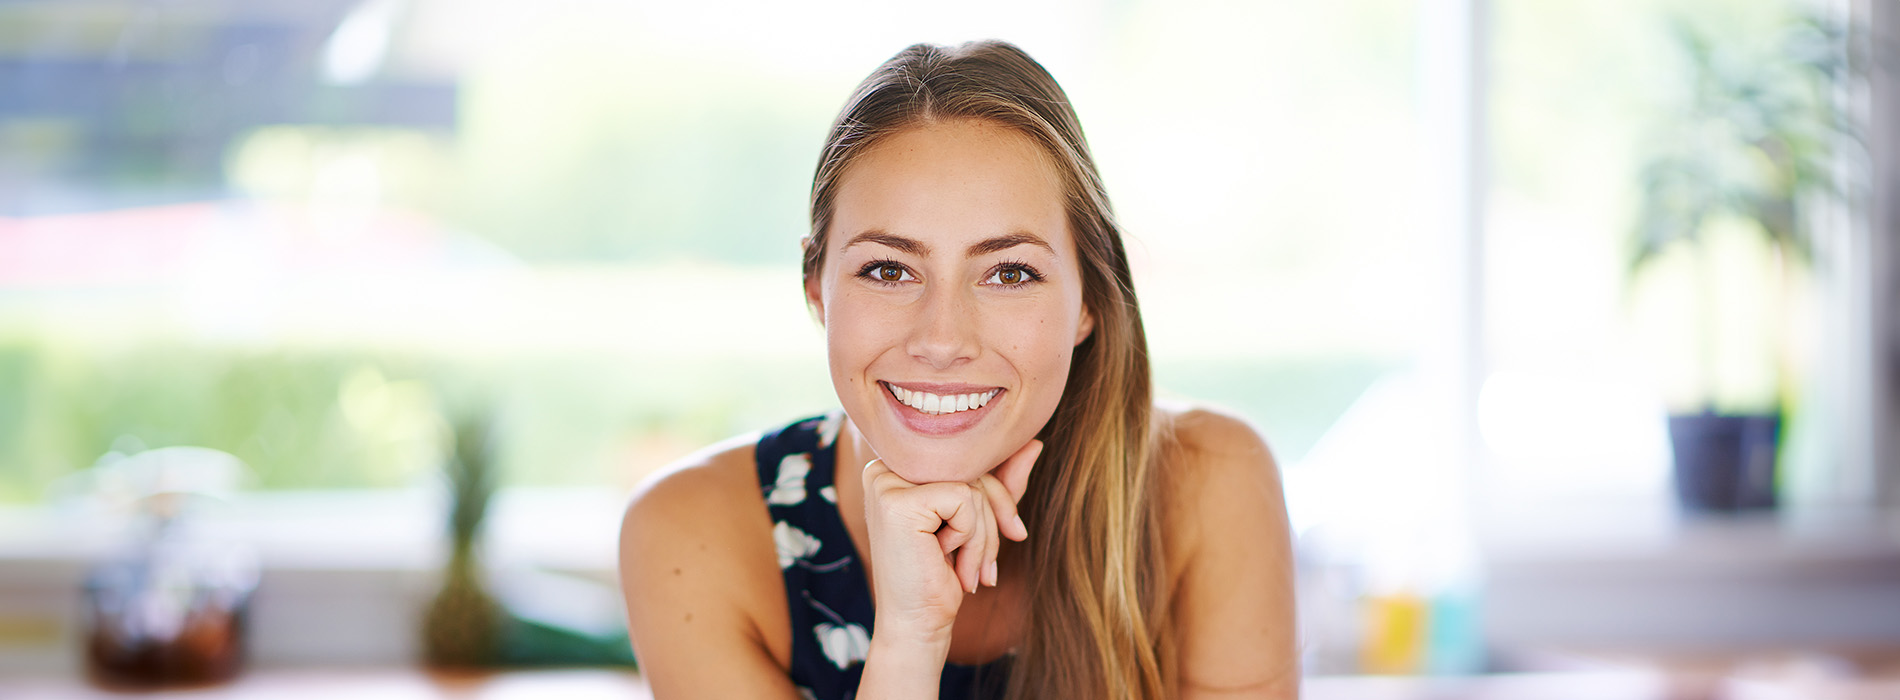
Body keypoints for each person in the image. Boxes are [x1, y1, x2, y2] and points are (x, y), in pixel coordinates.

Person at [619, 40, 1297, 699]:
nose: (942, 339)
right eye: (888, 269)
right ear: (817, 288)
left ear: (1089, 299)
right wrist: (908, 644)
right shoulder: (692, 534)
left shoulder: (1211, 482)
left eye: (1008, 272)